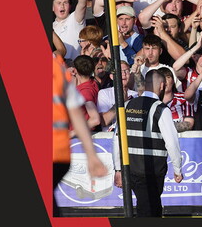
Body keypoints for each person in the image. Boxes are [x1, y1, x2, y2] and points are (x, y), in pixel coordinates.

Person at [112, 69, 184, 217]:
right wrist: (177, 169)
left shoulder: (126, 106)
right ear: (162, 85)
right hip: (152, 171)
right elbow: (171, 142)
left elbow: (116, 140)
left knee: (144, 208)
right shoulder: (160, 109)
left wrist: (118, 170)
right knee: (150, 212)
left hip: (130, 169)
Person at [53, 54, 107, 216]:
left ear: (75, 71)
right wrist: (92, 155)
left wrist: (71, 134)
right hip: (60, 154)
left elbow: (92, 118)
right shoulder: (57, 70)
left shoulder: (85, 91)